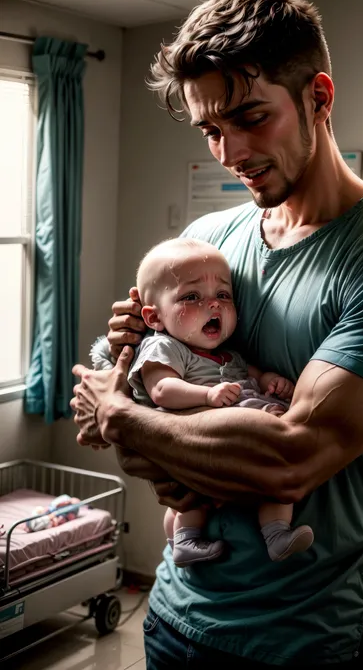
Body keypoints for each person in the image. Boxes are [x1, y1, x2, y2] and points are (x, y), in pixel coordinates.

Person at [71, 0, 363, 669]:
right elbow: (140, 432)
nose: (228, 153)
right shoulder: (209, 244)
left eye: (251, 118)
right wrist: (126, 390)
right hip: (172, 615)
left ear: (319, 96)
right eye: (212, 129)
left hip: (306, 640)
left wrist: (128, 420)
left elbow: (286, 461)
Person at [91, 237, 314, 567]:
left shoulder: (228, 354)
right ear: (153, 318)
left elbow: (252, 375)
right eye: (192, 297)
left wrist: (271, 382)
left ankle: (276, 533)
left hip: (241, 434)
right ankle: (185, 538)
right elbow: (162, 390)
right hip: (193, 441)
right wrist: (206, 395)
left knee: (275, 473)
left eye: (223, 295)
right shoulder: (164, 348)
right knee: (191, 496)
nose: (213, 306)